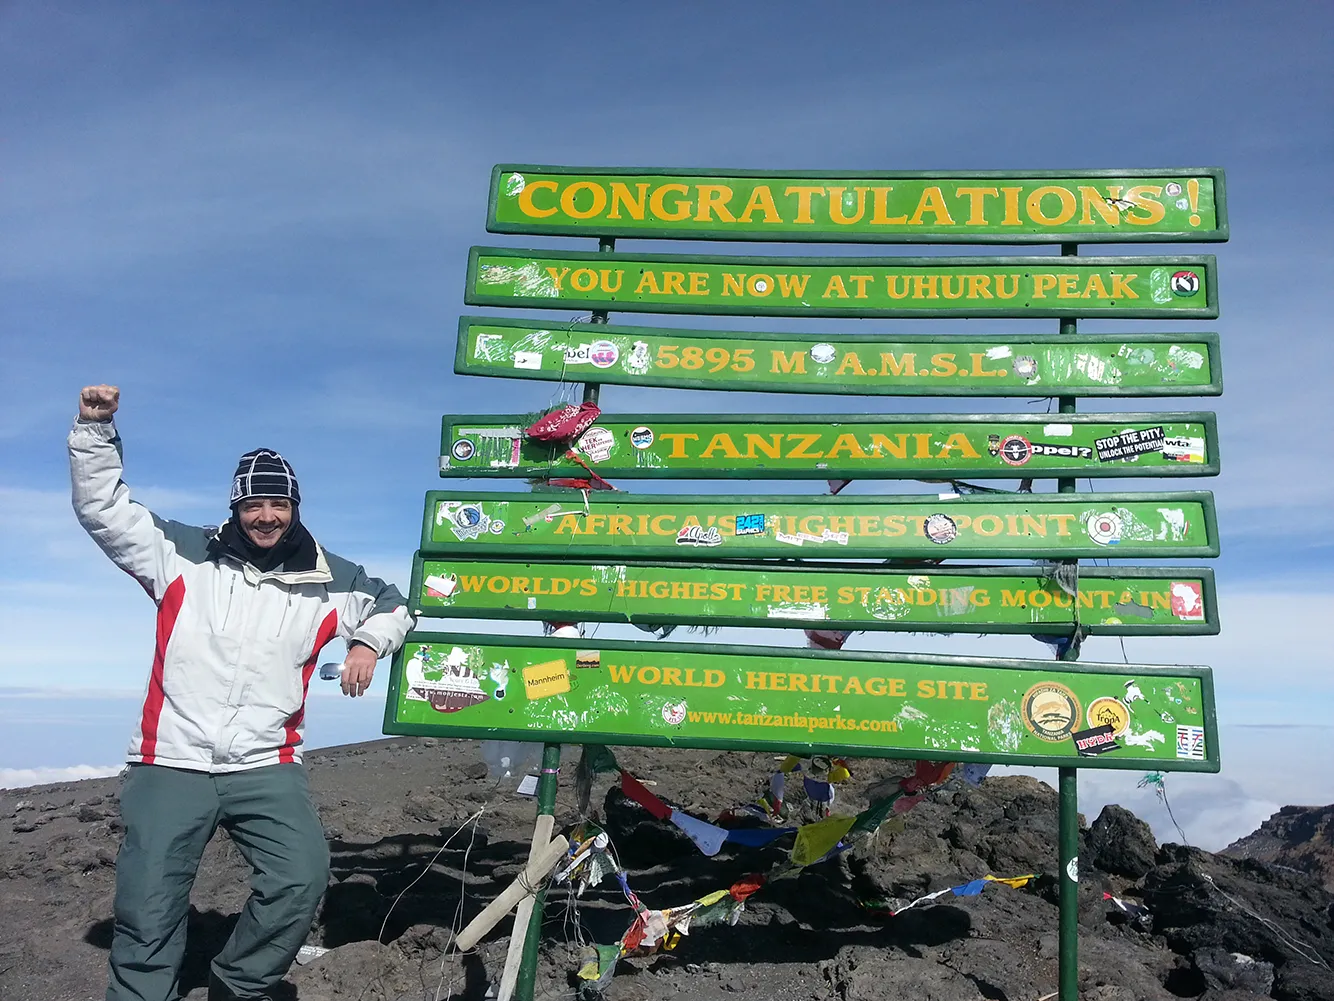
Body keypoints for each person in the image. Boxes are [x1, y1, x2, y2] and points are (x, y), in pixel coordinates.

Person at [68, 385, 415, 1001]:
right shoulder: (180, 553)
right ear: (235, 506)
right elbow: (103, 510)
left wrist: (366, 645)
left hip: (265, 760)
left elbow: (394, 604)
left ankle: (239, 983)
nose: (266, 516)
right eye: (253, 504)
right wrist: (95, 432)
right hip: (171, 758)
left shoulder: (332, 578)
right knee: (148, 905)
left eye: (278, 503)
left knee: (299, 879)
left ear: (295, 507)